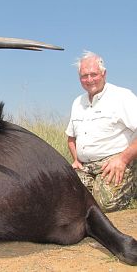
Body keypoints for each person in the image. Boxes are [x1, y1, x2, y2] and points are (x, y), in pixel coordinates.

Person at [66, 51, 137, 212]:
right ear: (79, 78)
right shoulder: (78, 102)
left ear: (104, 73)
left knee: (104, 205)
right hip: (86, 167)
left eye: (93, 74)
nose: (89, 80)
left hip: (114, 163)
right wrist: (76, 160)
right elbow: (71, 137)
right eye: (84, 76)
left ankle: (132, 185)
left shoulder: (122, 96)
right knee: (63, 196)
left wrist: (122, 160)